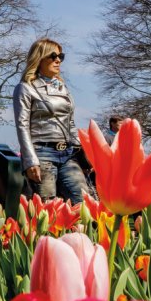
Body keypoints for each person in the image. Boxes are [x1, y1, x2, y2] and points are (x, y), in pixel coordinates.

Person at [12, 38, 88, 203]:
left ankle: (81, 230)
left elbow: (71, 123)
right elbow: (22, 125)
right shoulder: (25, 88)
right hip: (42, 154)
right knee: (47, 208)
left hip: (68, 153)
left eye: (61, 56)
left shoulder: (63, 88)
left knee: (85, 202)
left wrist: (82, 152)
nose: (58, 60)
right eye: (53, 56)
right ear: (39, 59)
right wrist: (30, 160)